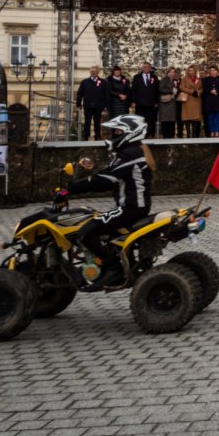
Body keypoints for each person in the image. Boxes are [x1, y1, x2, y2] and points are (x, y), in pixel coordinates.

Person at [61, 114, 152, 285]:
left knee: (85, 232)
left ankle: (113, 268)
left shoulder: (128, 155)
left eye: (117, 131)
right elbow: (107, 179)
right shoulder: (134, 152)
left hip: (129, 209)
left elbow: (102, 180)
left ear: (129, 133)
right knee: (97, 225)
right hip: (136, 207)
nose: (113, 135)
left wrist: (70, 189)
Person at [76, 66, 109, 140]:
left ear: (98, 72)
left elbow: (106, 94)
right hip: (88, 105)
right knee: (87, 122)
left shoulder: (103, 82)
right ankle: (86, 136)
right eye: (92, 71)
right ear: (90, 72)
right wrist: (78, 104)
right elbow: (80, 93)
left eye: (95, 71)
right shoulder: (84, 82)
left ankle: (97, 136)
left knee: (97, 122)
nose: (93, 73)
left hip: (99, 105)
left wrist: (106, 105)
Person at [131, 62, 160, 138]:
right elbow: (133, 90)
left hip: (151, 103)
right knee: (140, 119)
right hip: (140, 103)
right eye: (144, 67)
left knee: (151, 120)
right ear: (142, 68)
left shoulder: (154, 77)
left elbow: (157, 90)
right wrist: (133, 101)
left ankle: (150, 134)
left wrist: (157, 101)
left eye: (147, 67)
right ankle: (141, 134)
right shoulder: (136, 77)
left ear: (150, 68)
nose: (145, 68)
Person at [202, 65, 219, 137]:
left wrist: (216, 90)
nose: (213, 72)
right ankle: (212, 131)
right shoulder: (206, 79)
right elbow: (204, 88)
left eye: (214, 70)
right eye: (211, 71)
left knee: (218, 117)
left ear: (217, 71)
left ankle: (217, 131)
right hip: (209, 102)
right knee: (210, 117)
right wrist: (211, 91)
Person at [179, 66, 203, 138]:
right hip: (188, 100)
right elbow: (181, 87)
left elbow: (202, 88)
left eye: (193, 71)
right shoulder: (184, 79)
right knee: (187, 118)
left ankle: (194, 135)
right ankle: (188, 134)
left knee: (195, 119)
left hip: (196, 100)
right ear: (188, 71)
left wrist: (198, 92)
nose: (191, 72)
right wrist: (192, 92)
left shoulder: (199, 79)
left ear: (195, 71)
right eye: (190, 71)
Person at [157, 66, 179, 139]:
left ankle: (172, 136)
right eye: (170, 72)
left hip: (172, 103)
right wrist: (171, 91)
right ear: (168, 73)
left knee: (172, 121)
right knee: (165, 121)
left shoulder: (175, 80)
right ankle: (166, 137)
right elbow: (161, 89)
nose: (172, 73)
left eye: (173, 72)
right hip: (165, 103)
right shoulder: (164, 80)